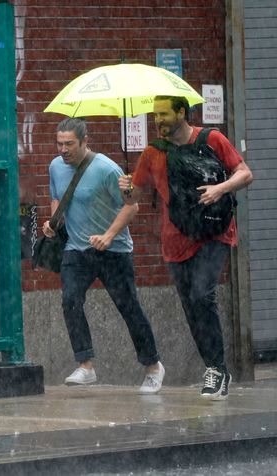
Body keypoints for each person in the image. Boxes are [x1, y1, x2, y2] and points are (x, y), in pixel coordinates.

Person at [119, 96, 253, 401]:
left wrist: (220, 188)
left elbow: (245, 173)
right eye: (155, 116)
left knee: (201, 294)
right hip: (176, 238)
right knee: (191, 306)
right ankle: (214, 367)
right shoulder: (153, 152)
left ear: (182, 112)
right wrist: (125, 189)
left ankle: (217, 370)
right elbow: (133, 198)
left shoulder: (212, 138)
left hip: (214, 232)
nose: (159, 120)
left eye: (164, 114)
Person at [44, 118, 165, 394]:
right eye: (59, 144)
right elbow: (57, 199)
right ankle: (85, 365)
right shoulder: (55, 167)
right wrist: (53, 222)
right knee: (70, 300)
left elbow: (131, 206)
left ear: (85, 142)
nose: (63, 150)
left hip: (113, 251)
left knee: (129, 307)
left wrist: (109, 235)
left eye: (69, 144)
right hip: (77, 249)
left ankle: (153, 366)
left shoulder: (107, 169)